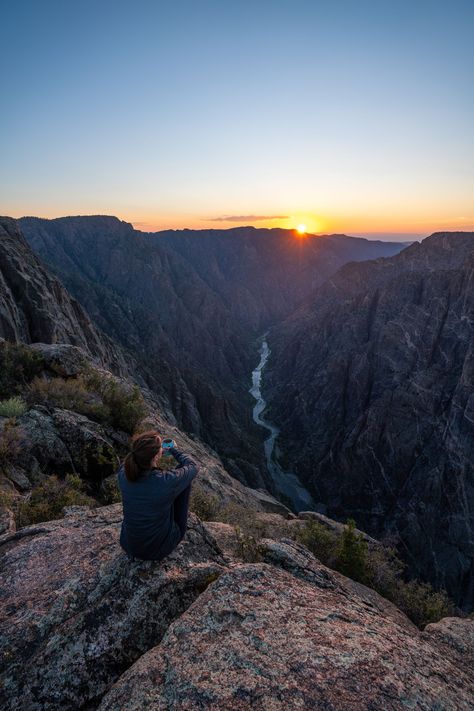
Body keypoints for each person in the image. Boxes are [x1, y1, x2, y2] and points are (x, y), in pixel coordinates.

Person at [117, 430, 199, 561]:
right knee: (184, 481)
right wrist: (173, 450)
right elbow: (193, 466)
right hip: (156, 550)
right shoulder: (165, 481)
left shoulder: (123, 474)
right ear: (155, 457)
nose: (162, 449)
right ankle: (174, 529)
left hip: (128, 544)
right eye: (161, 447)